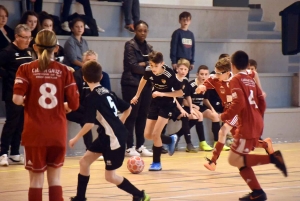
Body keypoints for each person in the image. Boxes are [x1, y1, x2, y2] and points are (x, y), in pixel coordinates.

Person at [12, 29, 79, 201]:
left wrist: (31, 100)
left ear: (34, 47)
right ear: (56, 48)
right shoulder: (65, 70)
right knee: (55, 179)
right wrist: (65, 106)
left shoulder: (25, 68)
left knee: (35, 180)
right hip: (56, 132)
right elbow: (74, 104)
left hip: (34, 132)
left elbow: (17, 99)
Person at [69, 60, 150, 201]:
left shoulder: (91, 98)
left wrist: (75, 138)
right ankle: (80, 198)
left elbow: (88, 124)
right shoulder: (108, 92)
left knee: (110, 176)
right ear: (101, 77)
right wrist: (120, 122)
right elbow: (128, 108)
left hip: (114, 140)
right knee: (84, 162)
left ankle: (140, 195)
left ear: (83, 78)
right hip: (105, 136)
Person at [220, 50, 287, 201]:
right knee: (240, 160)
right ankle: (257, 192)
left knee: (233, 159)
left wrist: (224, 116)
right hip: (256, 120)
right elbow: (262, 100)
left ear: (232, 66)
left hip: (247, 125)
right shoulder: (251, 80)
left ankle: (274, 159)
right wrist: (258, 116)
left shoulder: (235, 79)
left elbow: (239, 103)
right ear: (248, 65)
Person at [196, 58, 272, 171]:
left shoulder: (238, 78)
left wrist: (260, 91)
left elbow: (254, 73)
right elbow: (205, 85)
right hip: (228, 109)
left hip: (239, 109)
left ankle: (213, 161)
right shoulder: (214, 78)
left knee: (222, 131)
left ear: (227, 72)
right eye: (215, 71)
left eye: (218, 73)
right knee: (242, 141)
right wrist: (201, 87)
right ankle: (265, 144)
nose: (215, 74)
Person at [131, 51, 183, 171]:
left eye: (156, 66)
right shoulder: (149, 70)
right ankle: (170, 139)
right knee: (147, 134)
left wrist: (162, 93)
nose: (153, 68)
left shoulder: (169, 74)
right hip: (155, 103)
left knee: (156, 134)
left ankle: (156, 163)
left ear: (162, 64)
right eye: (151, 65)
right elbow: (143, 80)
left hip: (168, 104)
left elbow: (180, 93)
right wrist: (137, 95)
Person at [0, 24, 33, 166]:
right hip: (12, 93)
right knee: (11, 123)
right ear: (17, 37)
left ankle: (15, 152)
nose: (27, 41)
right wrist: (9, 76)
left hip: (26, 95)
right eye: (24, 38)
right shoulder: (7, 52)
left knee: (21, 124)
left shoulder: (28, 52)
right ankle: (2, 153)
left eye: (29, 38)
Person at [67, 50, 111, 152]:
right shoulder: (76, 76)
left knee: (106, 120)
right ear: (82, 63)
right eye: (88, 60)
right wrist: (89, 111)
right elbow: (74, 100)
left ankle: (103, 147)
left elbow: (105, 96)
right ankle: (90, 149)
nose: (91, 63)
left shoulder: (103, 75)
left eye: (94, 60)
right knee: (86, 119)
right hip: (77, 109)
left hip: (94, 109)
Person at [121, 20, 153, 157]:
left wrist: (144, 63)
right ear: (135, 31)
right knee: (131, 115)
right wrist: (146, 66)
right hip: (131, 84)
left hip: (146, 85)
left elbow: (153, 66)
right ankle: (129, 147)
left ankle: (140, 145)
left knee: (142, 116)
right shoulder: (130, 45)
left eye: (145, 31)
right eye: (140, 30)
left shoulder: (149, 48)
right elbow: (133, 66)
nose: (142, 33)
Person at [188, 65, 227, 151]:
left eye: (206, 74)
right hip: (190, 106)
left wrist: (212, 109)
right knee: (199, 116)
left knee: (215, 116)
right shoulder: (191, 84)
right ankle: (202, 142)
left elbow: (205, 99)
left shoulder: (207, 85)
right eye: (202, 74)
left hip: (200, 107)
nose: (204, 76)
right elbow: (185, 100)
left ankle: (217, 142)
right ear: (197, 74)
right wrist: (193, 106)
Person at [170, 58, 199, 153]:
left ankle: (176, 135)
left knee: (195, 117)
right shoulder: (173, 79)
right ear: (177, 68)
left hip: (180, 106)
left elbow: (188, 96)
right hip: (171, 105)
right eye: (181, 69)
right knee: (185, 116)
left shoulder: (185, 81)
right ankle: (189, 144)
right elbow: (173, 97)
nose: (183, 71)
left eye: (185, 69)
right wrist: (182, 110)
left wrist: (191, 108)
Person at [170, 11, 195, 77]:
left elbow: (193, 49)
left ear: (190, 21)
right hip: (179, 61)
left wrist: (192, 62)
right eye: (183, 20)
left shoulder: (191, 34)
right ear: (179, 21)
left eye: (187, 20)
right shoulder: (177, 33)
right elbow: (173, 47)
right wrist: (174, 61)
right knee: (177, 79)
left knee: (185, 80)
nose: (185, 22)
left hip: (188, 62)